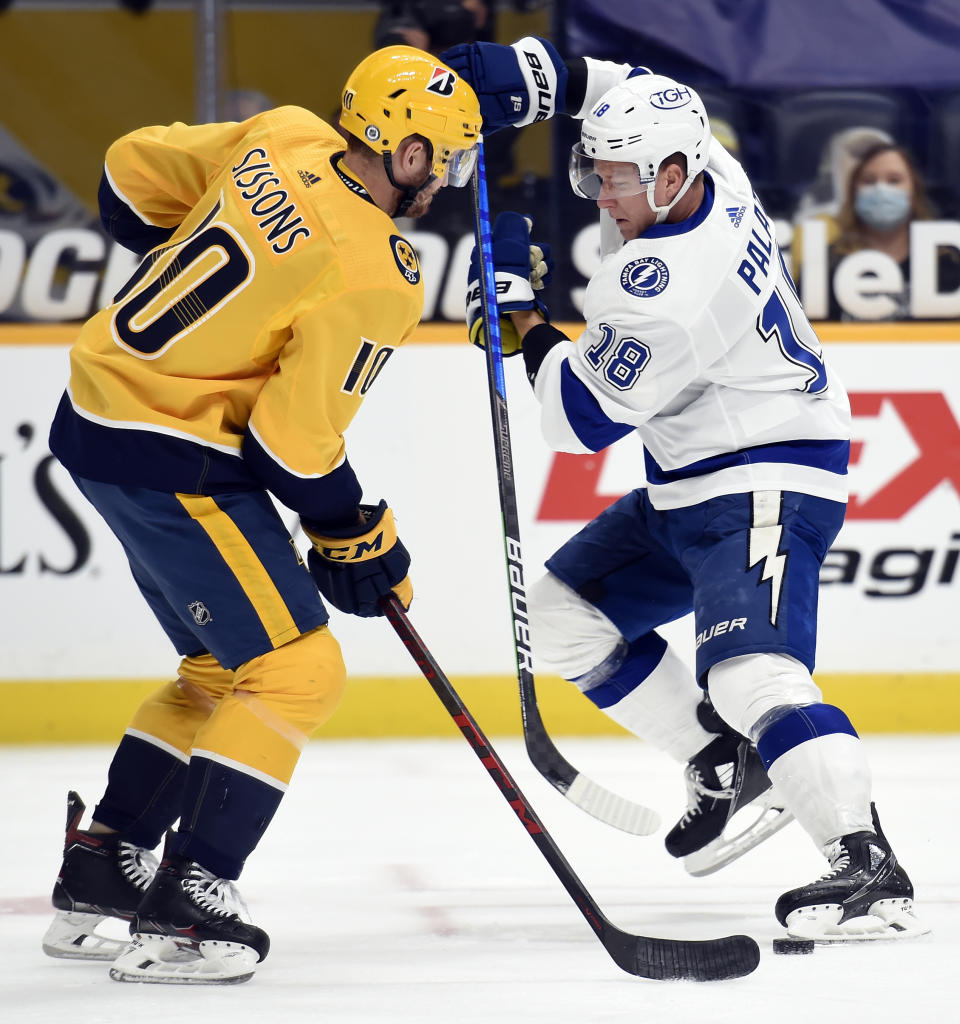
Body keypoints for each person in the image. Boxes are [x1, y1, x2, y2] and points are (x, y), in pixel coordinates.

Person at [446, 36, 927, 941]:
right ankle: (722, 761)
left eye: (620, 179)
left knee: (750, 672)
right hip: (693, 478)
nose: (603, 193)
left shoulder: (668, 285)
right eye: (597, 170)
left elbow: (580, 423)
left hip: (764, 475)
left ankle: (867, 865)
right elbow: (616, 83)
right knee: (559, 617)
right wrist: (525, 73)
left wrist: (523, 325)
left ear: (671, 174)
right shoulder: (715, 167)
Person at [41, 46, 481, 984]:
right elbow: (291, 446)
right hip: (170, 450)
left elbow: (129, 167)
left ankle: (104, 868)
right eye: (440, 158)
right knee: (296, 670)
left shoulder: (281, 133)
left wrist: (198, 299)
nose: (444, 180)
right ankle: (193, 900)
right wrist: (357, 533)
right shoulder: (379, 271)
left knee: (222, 666)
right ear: (403, 152)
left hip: (97, 414)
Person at [809, 141, 960, 319]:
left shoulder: (945, 262)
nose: (881, 190)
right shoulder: (825, 265)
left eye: (894, 180)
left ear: (914, 193)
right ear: (853, 193)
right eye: (869, 181)